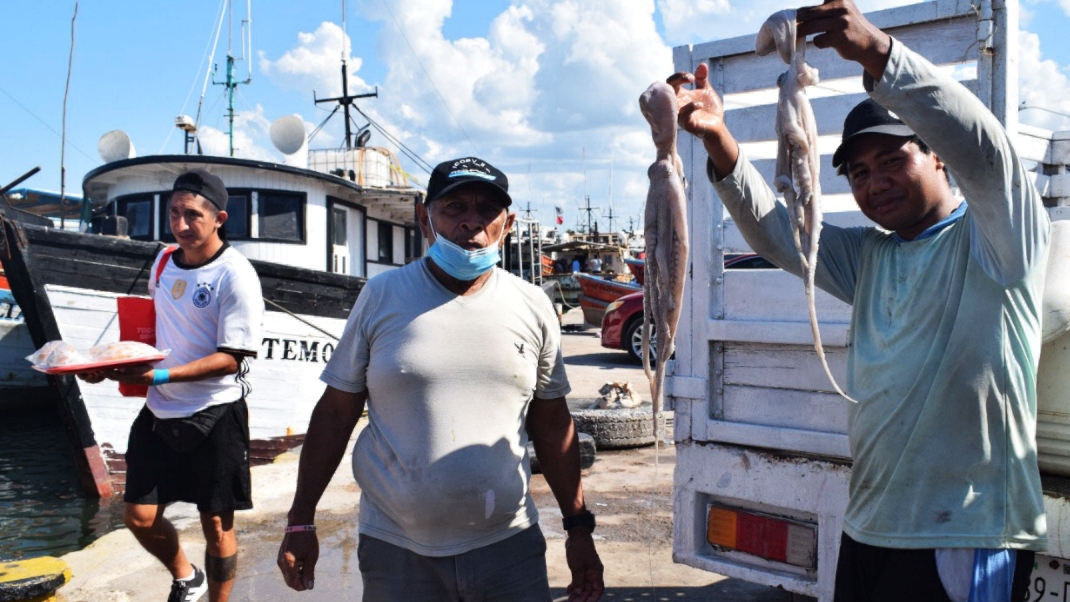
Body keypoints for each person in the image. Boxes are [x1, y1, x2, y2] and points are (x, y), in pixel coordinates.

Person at [669, 1, 1048, 600]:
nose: (875, 183)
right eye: (859, 172)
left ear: (938, 155)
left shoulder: (998, 240)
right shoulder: (871, 256)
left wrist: (880, 55)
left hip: (962, 535)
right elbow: (776, 234)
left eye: (893, 160)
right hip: (869, 528)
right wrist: (719, 138)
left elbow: (989, 153)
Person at [276, 156, 604, 602]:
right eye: (453, 207)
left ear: (506, 225)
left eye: (487, 211)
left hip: (509, 548)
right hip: (397, 550)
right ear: (424, 218)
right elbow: (335, 414)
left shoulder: (532, 305)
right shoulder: (381, 296)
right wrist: (301, 520)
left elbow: (552, 424)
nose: (472, 222)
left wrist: (578, 528)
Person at [82, 170, 264, 602]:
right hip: (161, 411)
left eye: (192, 216)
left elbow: (232, 358)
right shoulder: (163, 261)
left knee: (217, 525)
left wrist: (159, 376)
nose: (181, 225)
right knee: (138, 516)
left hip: (216, 412)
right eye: (174, 213)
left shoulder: (236, 275)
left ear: (219, 217)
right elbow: (154, 334)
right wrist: (105, 366)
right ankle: (188, 575)